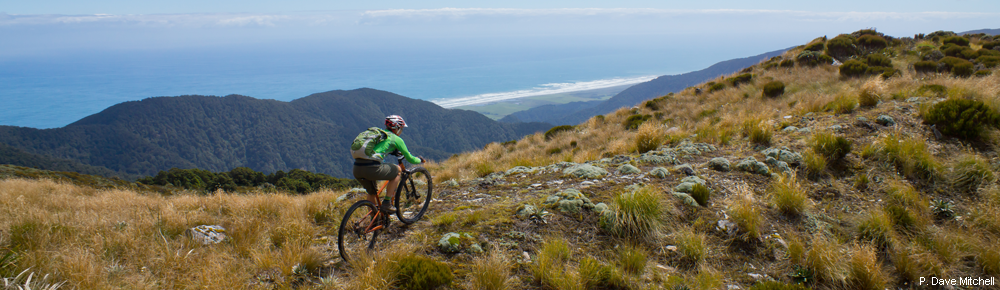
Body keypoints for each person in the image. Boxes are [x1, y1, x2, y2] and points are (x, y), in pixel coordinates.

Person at [352, 115, 424, 213]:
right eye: (401, 128)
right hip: (371, 168)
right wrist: (419, 160)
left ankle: (374, 221)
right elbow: (410, 159)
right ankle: (387, 203)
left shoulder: (380, 135)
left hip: (357, 168)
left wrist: (392, 151)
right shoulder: (395, 139)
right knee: (398, 170)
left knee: (372, 193)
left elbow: (377, 150)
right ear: (397, 128)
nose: (402, 131)